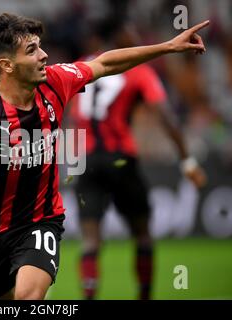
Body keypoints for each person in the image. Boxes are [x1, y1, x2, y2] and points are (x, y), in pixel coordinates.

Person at [0, 13, 209, 300]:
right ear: (6, 65)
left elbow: (104, 64)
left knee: (29, 298)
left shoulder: (56, 81)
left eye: (40, 47)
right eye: (31, 50)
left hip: (41, 220)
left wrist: (168, 46)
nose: (44, 55)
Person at [72, 21, 207, 300]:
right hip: (121, 160)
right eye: (130, 33)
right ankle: (144, 296)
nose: (135, 37)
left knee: (90, 241)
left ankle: (88, 296)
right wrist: (188, 163)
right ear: (119, 37)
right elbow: (165, 117)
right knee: (142, 234)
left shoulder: (78, 67)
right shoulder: (137, 71)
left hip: (83, 160)